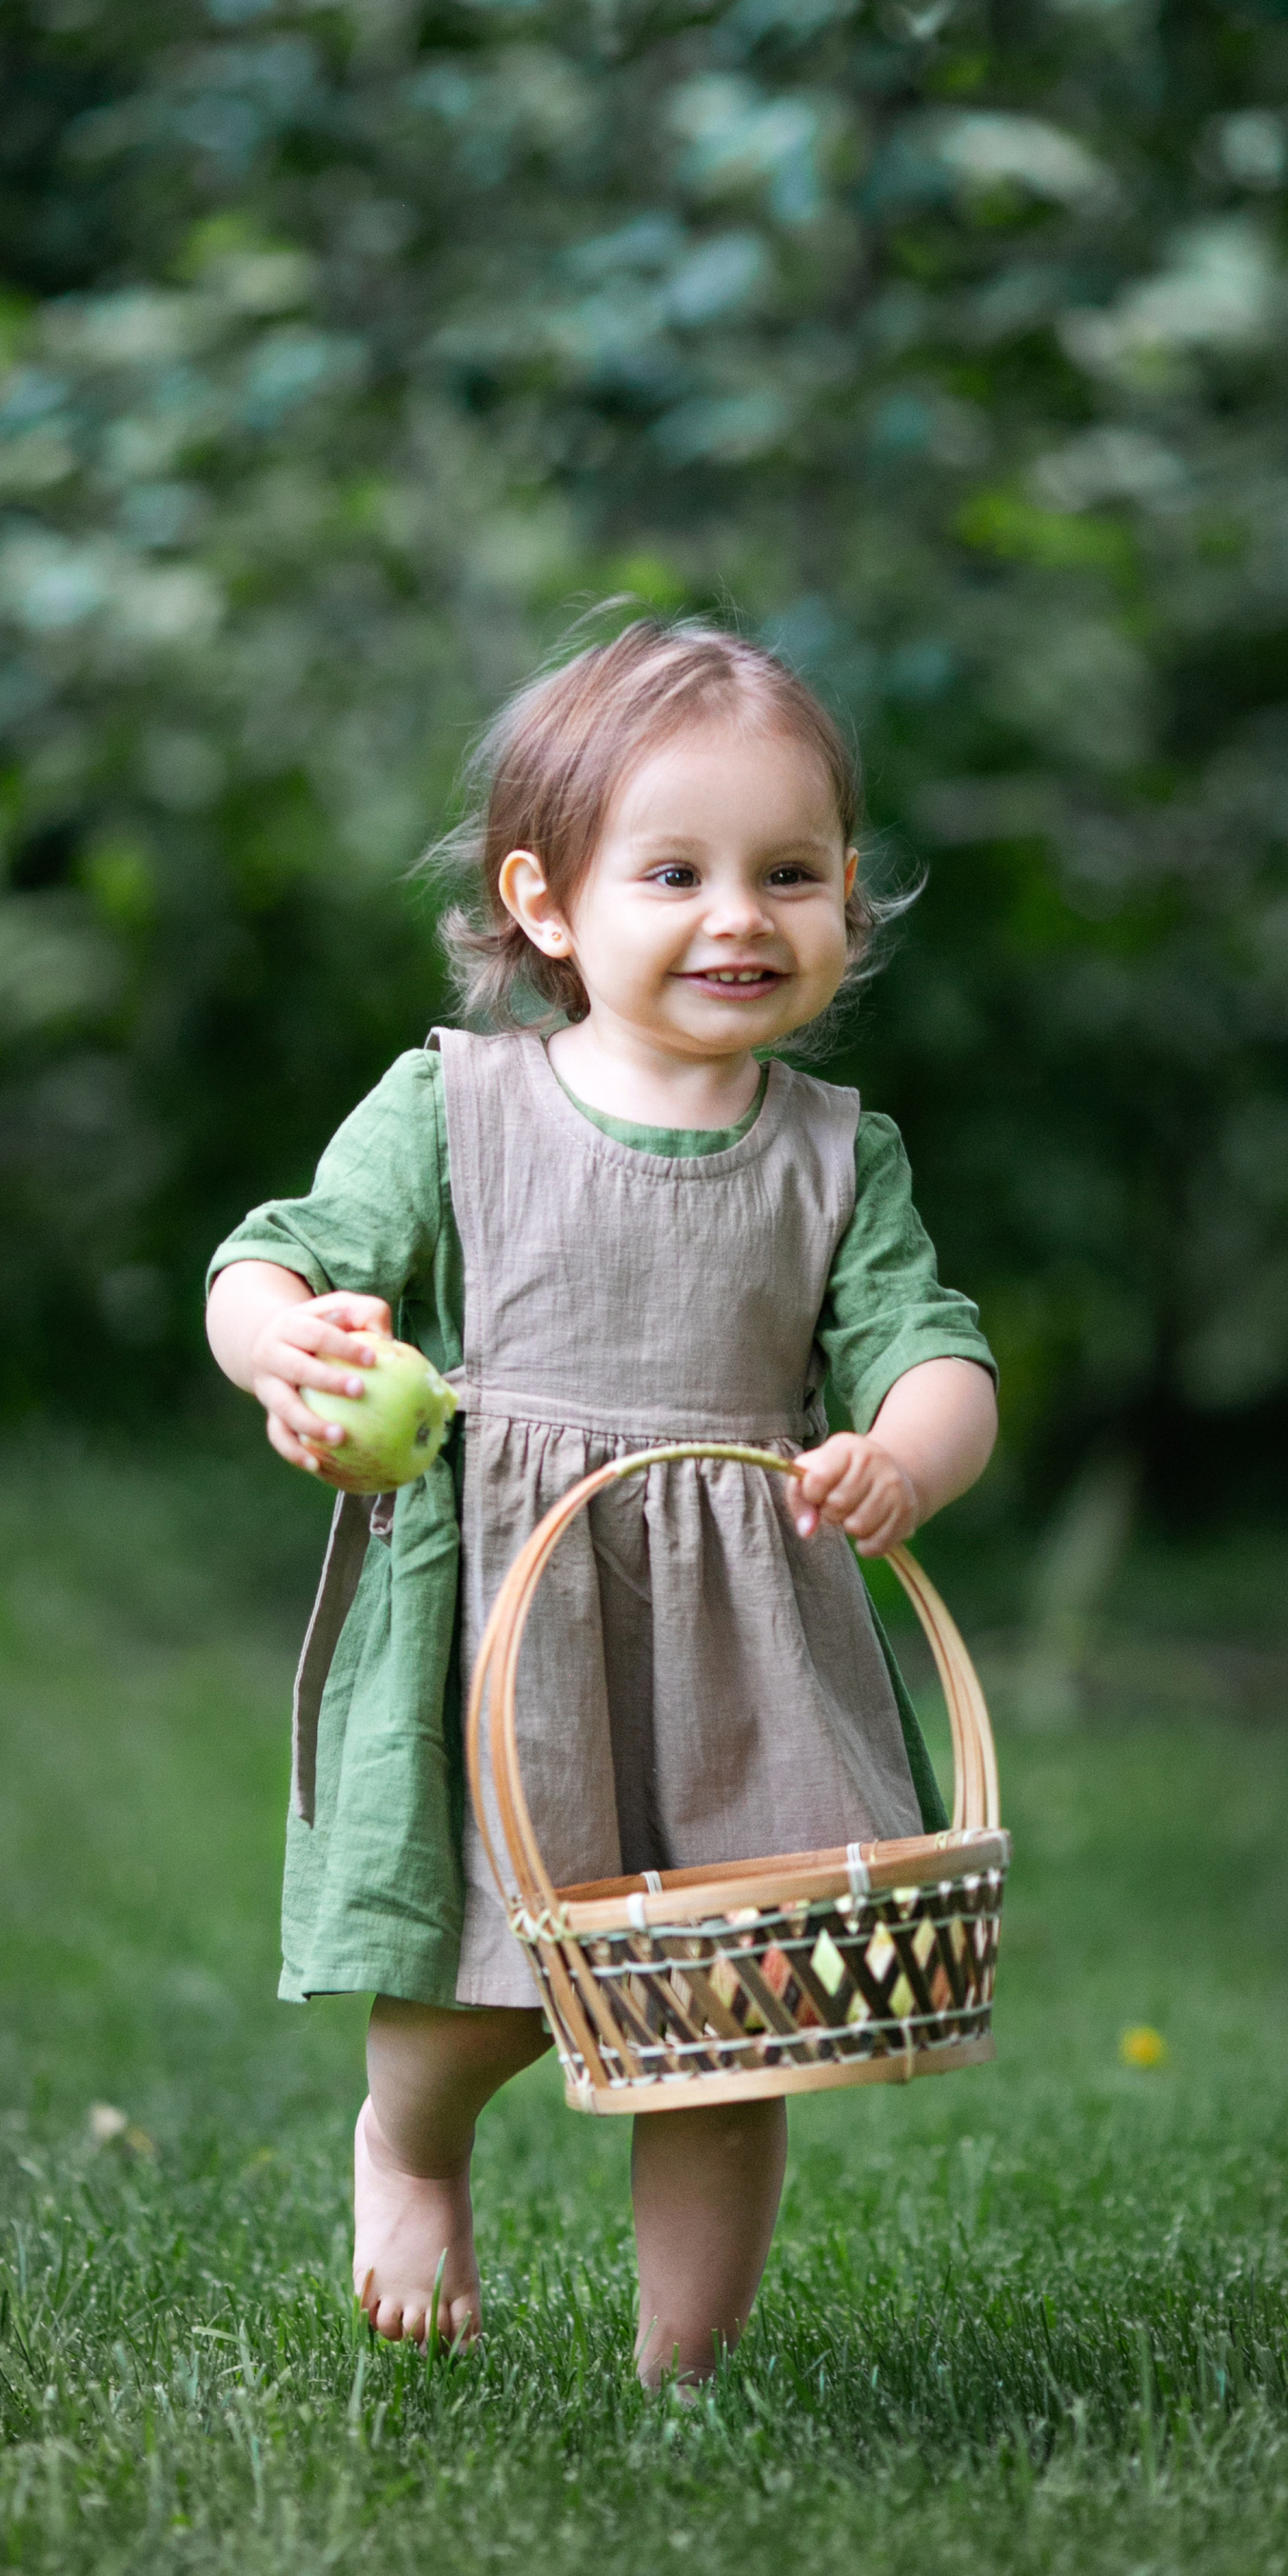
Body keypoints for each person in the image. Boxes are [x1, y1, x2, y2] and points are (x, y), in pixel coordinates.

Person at [206, 617, 998, 2385]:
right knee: (476, 1990)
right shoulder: (455, 1106)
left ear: (848, 898)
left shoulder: (833, 1155)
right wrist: (292, 1352)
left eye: (789, 872)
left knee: (732, 2028)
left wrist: (905, 1453)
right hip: (507, 1620)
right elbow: (272, 1260)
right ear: (547, 903)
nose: (741, 916)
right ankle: (408, 2144)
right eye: (677, 871)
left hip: (745, 1651)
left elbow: (935, 1352)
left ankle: (682, 2370)